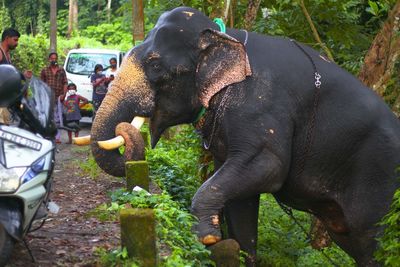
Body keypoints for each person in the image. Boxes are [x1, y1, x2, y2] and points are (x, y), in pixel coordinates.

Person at [40, 52, 68, 143]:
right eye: (52, 58)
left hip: (58, 98)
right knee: (48, 117)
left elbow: (65, 83)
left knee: (57, 118)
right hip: (47, 98)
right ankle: (47, 135)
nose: (54, 60)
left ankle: (57, 137)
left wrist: (64, 94)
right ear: (49, 59)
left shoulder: (61, 70)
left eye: (55, 58)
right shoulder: (45, 70)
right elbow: (41, 84)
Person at [0, 28, 21, 124]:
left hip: (5, 99)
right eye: (15, 40)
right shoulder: (0, 53)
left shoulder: (7, 54)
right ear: (7, 38)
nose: (17, 43)